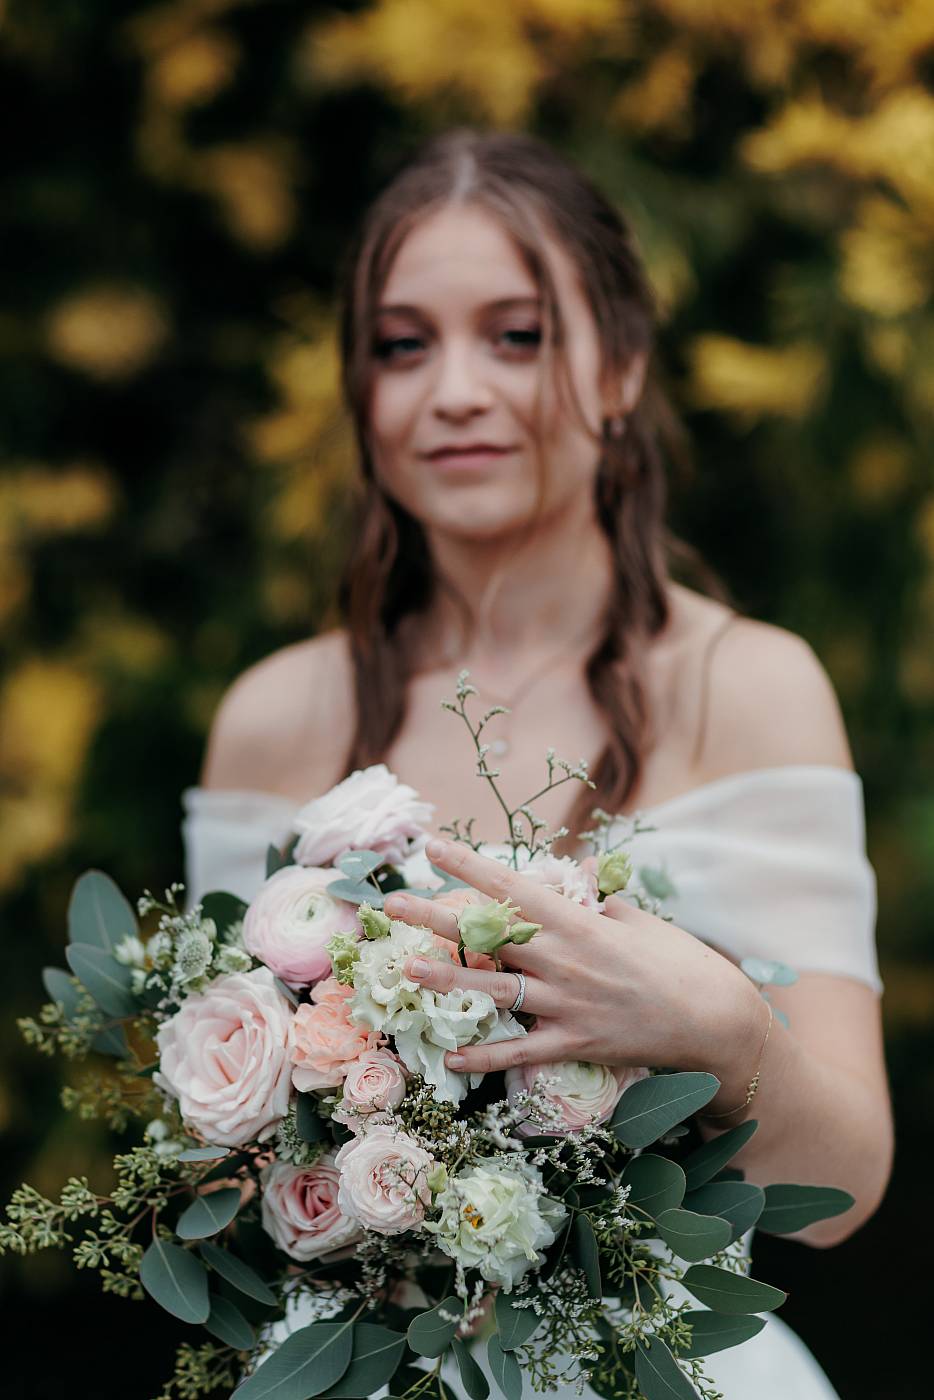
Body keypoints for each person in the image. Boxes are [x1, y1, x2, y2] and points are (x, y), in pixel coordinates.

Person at [182, 130, 892, 1397]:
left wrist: (723, 1038)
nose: (453, 389)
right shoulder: (271, 715)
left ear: (617, 367)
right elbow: (224, 1185)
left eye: (517, 335)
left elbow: (841, 1192)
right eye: (402, 345)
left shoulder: (751, 684)